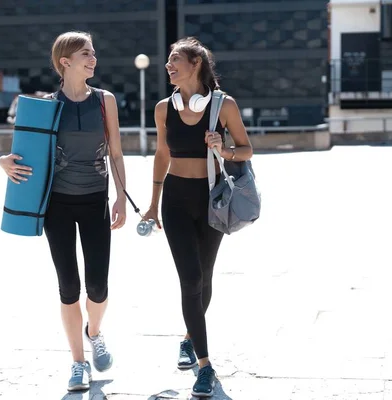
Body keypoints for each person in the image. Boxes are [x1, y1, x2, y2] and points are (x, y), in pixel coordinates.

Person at [0, 31, 127, 392]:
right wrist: (3, 162)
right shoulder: (44, 105)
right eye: (85, 53)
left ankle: (95, 331)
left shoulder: (105, 101)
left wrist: (120, 196)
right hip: (57, 203)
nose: (93, 58)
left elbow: (115, 152)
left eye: (93, 53)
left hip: (95, 201)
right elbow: (21, 150)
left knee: (98, 286)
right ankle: (77, 362)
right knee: (68, 286)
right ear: (65, 62)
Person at [142, 37, 253, 397]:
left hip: (212, 200)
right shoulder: (163, 108)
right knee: (190, 279)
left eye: (175, 59)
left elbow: (247, 149)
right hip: (175, 199)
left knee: (203, 278)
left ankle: (190, 337)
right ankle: (205, 366)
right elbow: (161, 155)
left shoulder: (224, 105)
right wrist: (153, 203)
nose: (168, 65)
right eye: (168, 60)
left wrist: (225, 148)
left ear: (196, 64)